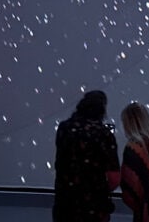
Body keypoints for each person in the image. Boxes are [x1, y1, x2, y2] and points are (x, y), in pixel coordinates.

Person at [53, 90, 121, 222]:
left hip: (65, 205)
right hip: (94, 207)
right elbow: (114, 177)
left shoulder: (64, 128)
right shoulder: (104, 134)